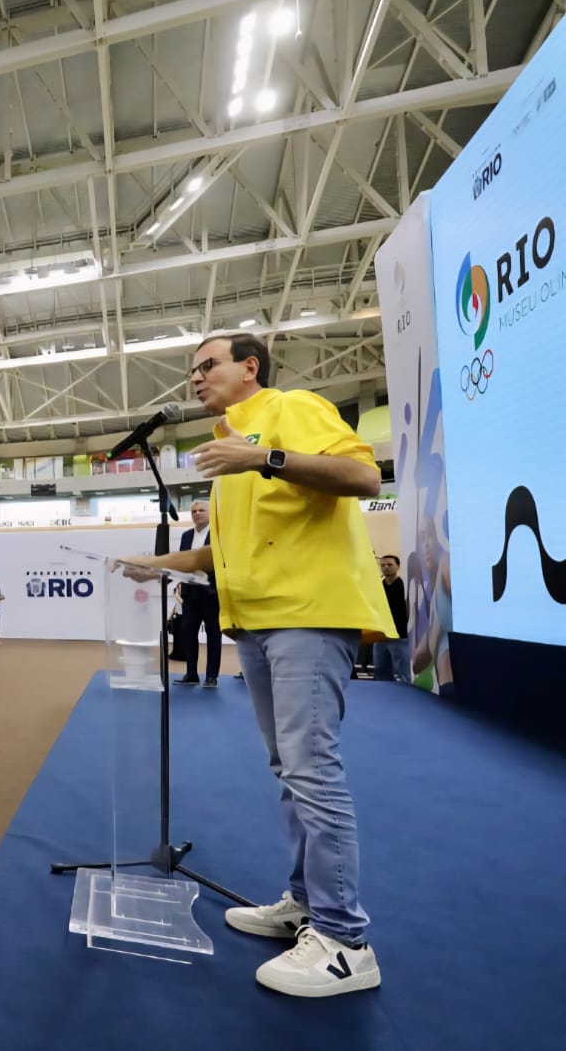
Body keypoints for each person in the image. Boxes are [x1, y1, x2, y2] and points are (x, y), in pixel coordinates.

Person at [120, 331, 391, 998]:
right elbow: (224, 554)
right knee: (289, 768)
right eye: (191, 369)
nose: (195, 377)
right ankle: (306, 906)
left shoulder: (289, 410)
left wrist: (263, 456)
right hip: (258, 622)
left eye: (207, 364)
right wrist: (153, 564)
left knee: (310, 767)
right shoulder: (226, 454)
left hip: (306, 611)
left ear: (250, 367)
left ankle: (344, 941)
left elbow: (363, 477)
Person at [175, 499, 221, 687]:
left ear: (209, 513)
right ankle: (191, 674)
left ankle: (211, 676)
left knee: (213, 634)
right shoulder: (186, 536)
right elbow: (183, 561)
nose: (197, 514)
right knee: (188, 632)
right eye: (194, 511)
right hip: (190, 593)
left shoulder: (218, 535)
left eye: (201, 510)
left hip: (211, 593)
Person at [373, 556, 411, 684]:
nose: (386, 567)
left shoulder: (404, 586)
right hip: (380, 634)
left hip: (399, 635)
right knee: (380, 669)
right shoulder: (378, 586)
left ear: (398, 566)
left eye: (389, 564)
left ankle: (406, 698)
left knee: (402, 671)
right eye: (383, 565)